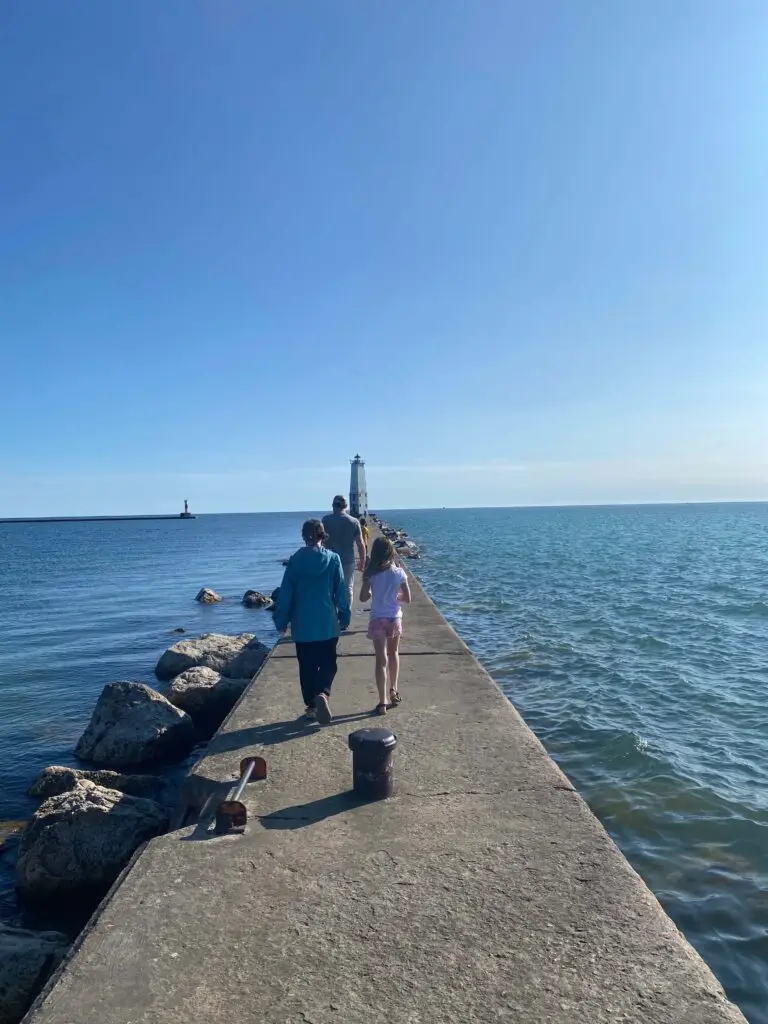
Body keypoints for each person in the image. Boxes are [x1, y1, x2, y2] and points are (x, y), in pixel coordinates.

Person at [273, 519, 351, 724]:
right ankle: (323, 693)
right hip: (327, 622)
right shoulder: (333, 559)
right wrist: (345, 615)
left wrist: (281, 622)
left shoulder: (295, 561)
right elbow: (341, 591)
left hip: (303, 624)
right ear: (322, 536)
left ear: (303, 536)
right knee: (328, 663)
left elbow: (286, 595)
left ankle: (311, 706)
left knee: (307, 666)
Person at [360, 537, 411, 715]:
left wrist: (374, 591)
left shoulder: (370, 573)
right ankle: (394, 690)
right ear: (391, 552)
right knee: (394, 653)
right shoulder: (399, 573)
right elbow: (407, 598)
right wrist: (394, 598)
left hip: (377, 619)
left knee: (381, 659)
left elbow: (363, 597)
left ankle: (382, 702)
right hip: (394, 618)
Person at [322, 495, 366, 610]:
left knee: (330, 588)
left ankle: (333, 615)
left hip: (329, 560)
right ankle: (346, 615)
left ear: (333, 506)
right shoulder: (354, 521)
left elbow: (320, 543)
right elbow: (360, 544)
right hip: (348, 560)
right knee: (347, 588)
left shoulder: (325, 520)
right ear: (346, 506)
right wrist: (362, 560)